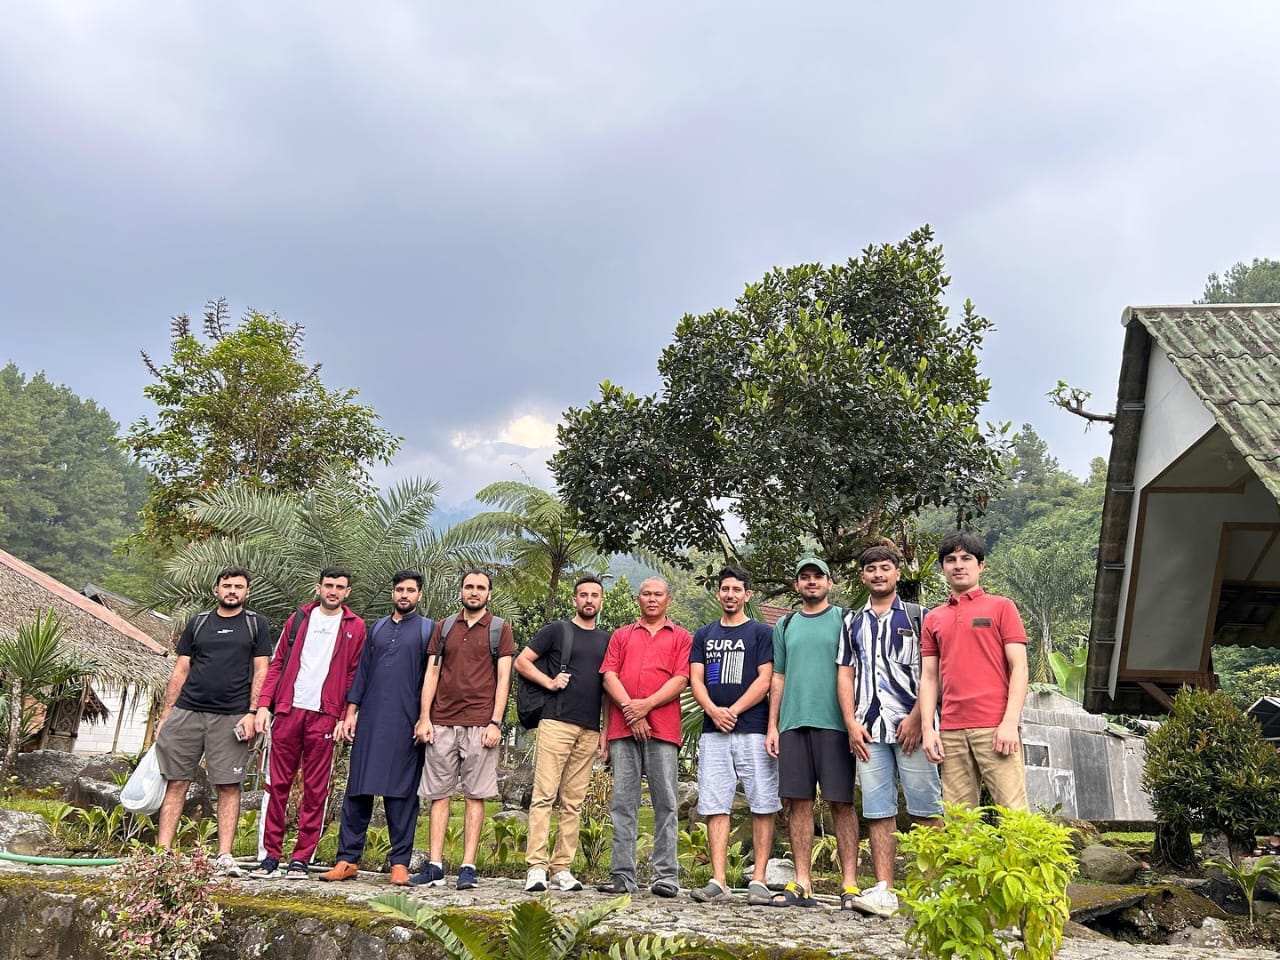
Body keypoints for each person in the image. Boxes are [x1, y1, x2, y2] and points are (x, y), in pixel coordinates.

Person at [836, 541, 942, 917]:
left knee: (926, 809)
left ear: (897, 572)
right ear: (863, 576)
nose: (878, 574)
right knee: (879, 811)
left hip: (913, 728)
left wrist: (919, 718)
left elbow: (933, 672)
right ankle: (885, 890)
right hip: (869, 731)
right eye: (871, 569)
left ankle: (933, 891)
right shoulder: (852, 622)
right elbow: (846, 673)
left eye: (885, 567)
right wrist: (850, 722)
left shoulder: (919, 617)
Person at [154, 566, 271, 875]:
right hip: (188, 711)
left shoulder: (255, 625)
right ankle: (162, 852)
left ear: (247, 592)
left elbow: (262, 670)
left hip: (232, 715)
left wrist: (253, 711)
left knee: (228, 786)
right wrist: (168, 713)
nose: (232, 590)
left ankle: (224, 856)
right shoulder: (199, 623)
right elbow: (181, 669)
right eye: (227, 585)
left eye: (239, 586)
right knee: (176, 782)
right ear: (216, 590)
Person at [251, 568, 368, 878]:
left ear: (347, 593)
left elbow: (355, 673)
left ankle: (302, 858)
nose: (333, 591)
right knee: (277, 785)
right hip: (289, 711)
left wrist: (347, 715)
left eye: (339, 587)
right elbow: (277, 664)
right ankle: (270, 857)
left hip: (325, 716)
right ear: (318, 588)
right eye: (328, 585)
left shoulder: (355, 627)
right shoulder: (299, 619)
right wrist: (265, 706)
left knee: (317, 790)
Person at [320, 570, 435, 885]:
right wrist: (350, 713)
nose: (404, 595)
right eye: (399, 589)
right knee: (357, 790)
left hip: (406, 723)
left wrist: (425, 718)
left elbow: (433, 678)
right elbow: (362, 673)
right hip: (370, 722)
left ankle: (399, 863)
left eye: (410, 590)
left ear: (419, 596)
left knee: (401, 794)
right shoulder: (378, 629)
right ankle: (347, 860)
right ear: (392, 593)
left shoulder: (429, 630)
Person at [411, 569, 516, 890]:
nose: (474, 592)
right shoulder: (444, 628)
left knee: (475, 795)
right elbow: (432, 674)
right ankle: (435, 864)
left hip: (481, 725)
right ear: (461, 591)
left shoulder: (500, 630)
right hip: (441, 722)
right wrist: (424, 717)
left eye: (480, 588)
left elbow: (504, 681)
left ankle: (468, 866)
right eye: (469, 586)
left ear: (489, 594)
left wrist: (496, 722)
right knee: (438, 795)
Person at [764, 557, 860, 909]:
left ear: (829, 583)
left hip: (835, 724)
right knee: (797, 803)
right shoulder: (785, 625)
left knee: (842, 803)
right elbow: (778, 676)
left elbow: (854, 671)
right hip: (793, 724)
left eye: (817, 577)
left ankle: (849, 883)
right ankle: (802, 881)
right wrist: (772, 725)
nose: (811, 582)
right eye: (804, 577)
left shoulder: (845, 621)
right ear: (796, 585)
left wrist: (853, 722)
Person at [687, 565, 779, 905]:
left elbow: (765, 678)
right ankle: (719, 879)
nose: (730, 594)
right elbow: (696, 678)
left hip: (752, 728)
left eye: (736, 589)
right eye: (725, 589)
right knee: (714, 802)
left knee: (763, 800)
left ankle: (758, 878)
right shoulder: (704, 634)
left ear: (747, 595)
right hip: (713, 731)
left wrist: (734, 710)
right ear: (718, 593)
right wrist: (713, 711)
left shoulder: (760, 633)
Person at [919, 531, 1030, 810]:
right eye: (951, 559)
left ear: (981, 565)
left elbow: (1019, 667)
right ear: (943, 567)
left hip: (995, 726)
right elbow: (930, 677)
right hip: (951, 730)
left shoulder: (1002, 607)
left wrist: (1009, 723)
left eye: (966, 558)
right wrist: (929, 729)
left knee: (1014, 815)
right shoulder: (933, 618)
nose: (958, 565)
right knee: (958, 820)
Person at [515, 576, 612, 893]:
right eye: (583, 594)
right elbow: (522, 661)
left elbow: (608, 689)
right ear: (574, 600)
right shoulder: (557, 630)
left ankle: (562, 867)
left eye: (594, 595)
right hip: (556, 722)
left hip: (589, 728)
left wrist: (605, 731)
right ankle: (536, 867)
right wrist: (550, 682)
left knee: (574, 801)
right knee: (544, 796)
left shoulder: (606, 640)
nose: (588, 600)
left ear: (601, 601)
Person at [596, 577, 691, 898]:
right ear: (638, 599)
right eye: (646, 594)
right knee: (623, 803)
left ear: (669, 599)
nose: (652, 599)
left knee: (666, 802)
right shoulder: (622, 635)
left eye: (658, 594)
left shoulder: (681, 637)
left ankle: (666, 876)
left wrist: (644, 707)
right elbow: (609, 675)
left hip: (663, 730)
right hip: (622, 730)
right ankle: (622, 876)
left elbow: (681, 680)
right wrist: (629, 709)